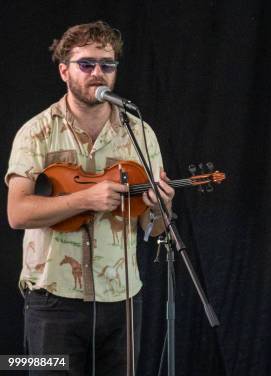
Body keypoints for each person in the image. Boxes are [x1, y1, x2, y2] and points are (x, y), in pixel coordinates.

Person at [6, 21, 175, 375]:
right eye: (87, 64)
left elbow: (154, 228)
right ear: (64, 70)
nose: (98, 73)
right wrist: (87, 199)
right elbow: (18, 213)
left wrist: (161, 206)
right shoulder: (36, 132)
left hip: (123, 301)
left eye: (107, 65)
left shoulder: (140, 132)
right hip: (53, 302)